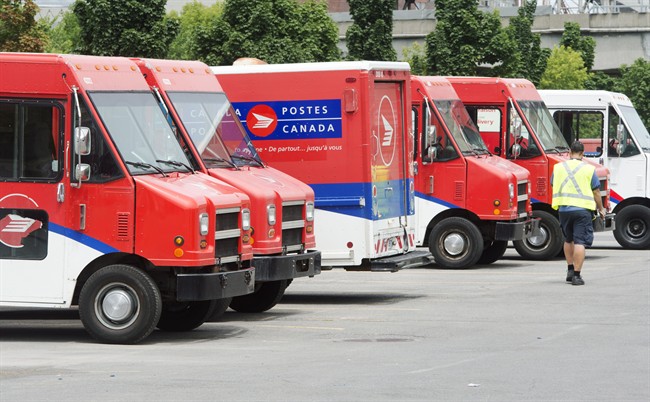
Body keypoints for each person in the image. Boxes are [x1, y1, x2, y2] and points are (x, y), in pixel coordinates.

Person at [551, 141, 606, 286]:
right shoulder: (589, 169)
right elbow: (596, 191)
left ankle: (569, 270)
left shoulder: (558, 168)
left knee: (568, 240)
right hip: (582, 210)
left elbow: (553, 183)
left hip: (563, 209)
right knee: (580, 242)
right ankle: (577, 275)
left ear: (569, 152)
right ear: (582, 153)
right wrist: (601, 208)